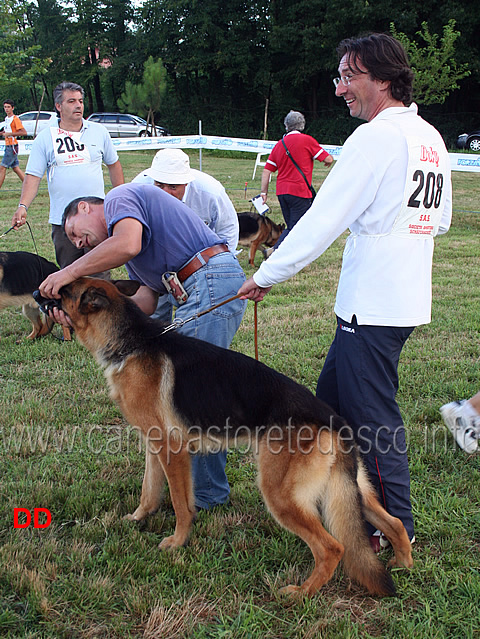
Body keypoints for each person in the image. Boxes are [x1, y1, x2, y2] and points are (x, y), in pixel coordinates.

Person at [238, 33, 452, 551]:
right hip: (398, 300)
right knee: (325, 408)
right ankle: (319, 496)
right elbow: (439, 221)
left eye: (348, 77)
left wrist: (267, 274)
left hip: (372, 304)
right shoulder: (429, 135)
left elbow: (321, 222)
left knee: (373, 422)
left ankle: (393, 527)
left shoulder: (376, 139)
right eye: (340, 78)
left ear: (381, 78)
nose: (340, 90)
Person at [39, 183, 247, 511]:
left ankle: (208, 496)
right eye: (74, 244)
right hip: (199, 284)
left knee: (192, 396)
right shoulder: (135, 256)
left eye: (75, 234)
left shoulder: (121, 199)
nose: (78, 244)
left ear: (85, 208)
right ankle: (196, 491)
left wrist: (70, 272)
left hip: (209, 278)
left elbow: (127, 243)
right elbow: (144, 304)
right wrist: (76, 314)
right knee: (187, 398)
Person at [11, 81, 124, 268]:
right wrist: (23, 206)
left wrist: (119, 197)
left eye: (80, 100)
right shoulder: (45, 137)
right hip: (63, 222)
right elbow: (33, 176)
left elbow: (114, 164)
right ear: (58, 106)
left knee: (101, 278)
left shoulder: (99, 132)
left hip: (98, 219)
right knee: (70, 277)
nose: (78, 105)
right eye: (71, 101)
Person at [133, 148, 239, 321]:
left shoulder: (211, 193)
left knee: (196, 317)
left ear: (186, 183)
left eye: (173, 186)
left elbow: (227, 230)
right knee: (156, 317)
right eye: (159, 185)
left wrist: (223, 270)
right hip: (156, 257)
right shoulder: (138, 188)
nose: (164, 192)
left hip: (199, 262)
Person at [260, 110, 333, 248]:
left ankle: (288, 255)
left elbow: (267, 170)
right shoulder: (307, 140)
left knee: (293, 225)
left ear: (286, 126)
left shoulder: (279, 144)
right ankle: (274, 252)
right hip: (300, 191)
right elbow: (328, 158)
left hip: (282, 192)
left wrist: (264, 193)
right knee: (297, 228)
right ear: (302, 125)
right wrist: (328, 161)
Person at [0, 99, 27, 188]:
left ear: (13, 108)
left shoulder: (15, 119)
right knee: (15, 168)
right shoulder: (7, 119)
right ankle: (28, 185)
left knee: (2, 168)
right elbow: (7, 131)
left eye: (8, 107)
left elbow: (23, 132)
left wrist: (10, 134)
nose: (6, 109)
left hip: (12, 146)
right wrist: (3, 133)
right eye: (5, 107)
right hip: (8, 145)